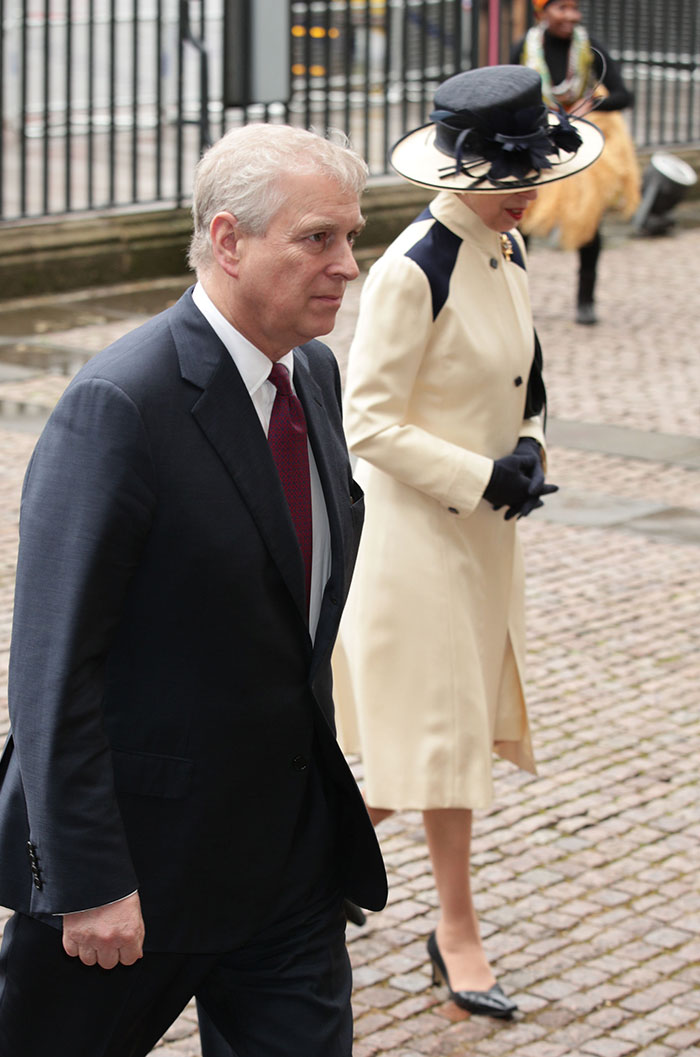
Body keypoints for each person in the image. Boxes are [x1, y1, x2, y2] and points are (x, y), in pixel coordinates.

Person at [0, 122, 387, 1057]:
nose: (349, 264)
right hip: (140, 869)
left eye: (351, 236)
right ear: (227, 240)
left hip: (288, 862)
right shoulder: (121, 404)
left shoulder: (316, 375)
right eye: (318, 238)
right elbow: (54, 668)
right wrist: (86, 879)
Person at [334, 65, 603, 1018]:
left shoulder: (507, 248)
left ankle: (308, 873)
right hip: (413, 540)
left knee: (443, 742)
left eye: (534, 172)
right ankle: (451, 930)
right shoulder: (416, 265)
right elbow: (364, 423)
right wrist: (481, 474)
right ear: (464, 167)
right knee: (437, 739)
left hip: (484, 537)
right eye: (508, 175)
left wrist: (527, 451)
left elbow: (525, 384)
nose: (527, 193)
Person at [511, 0, 640, 324]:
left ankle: (586, 301)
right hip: (538, 143)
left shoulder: (589, 48)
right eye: (561, 8)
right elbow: (508, 92)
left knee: (587, 223)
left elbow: (625, 95)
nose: (570, 16)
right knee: (521, 224)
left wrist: (590, 104)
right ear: (542, 13)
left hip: (578, 146)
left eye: (574, 8)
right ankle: (513, 298)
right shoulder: (525, 49)